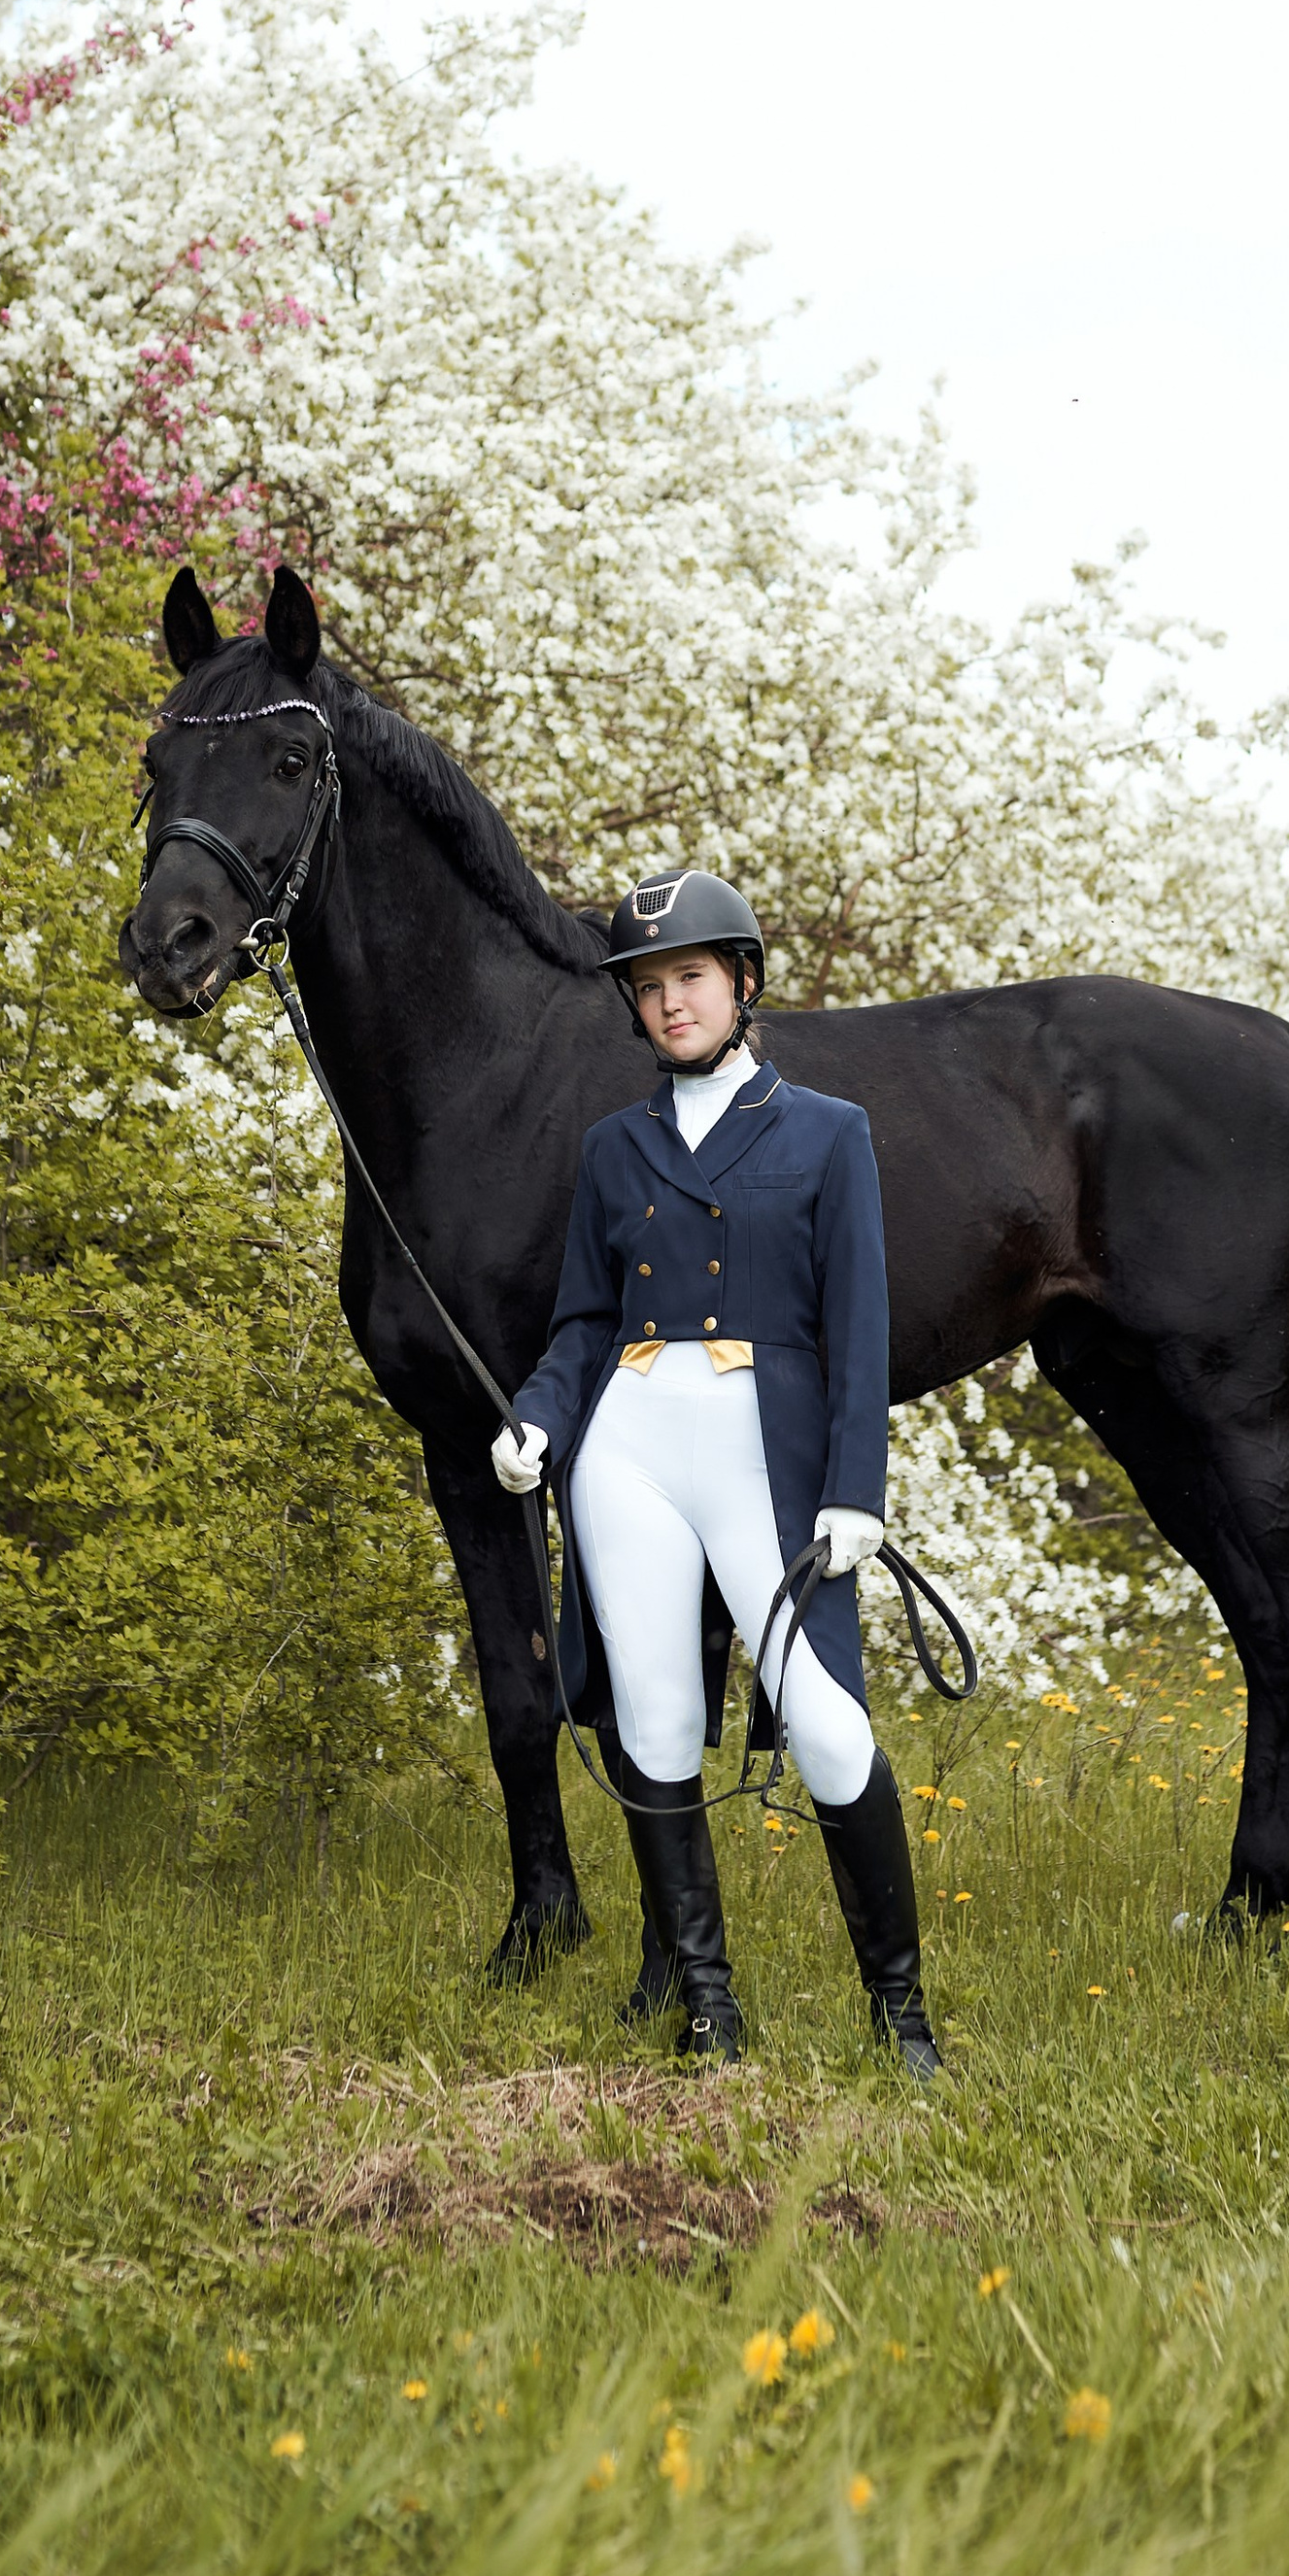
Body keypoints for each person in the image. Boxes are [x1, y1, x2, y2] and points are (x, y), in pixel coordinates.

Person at [492, 870, 939, 2075]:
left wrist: (856, 1487)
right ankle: (708, 2011)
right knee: (658, 1725)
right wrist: (539, 1417)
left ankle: (899, 2019)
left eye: (687, 977)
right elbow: (584, 1322)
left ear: (741, 984)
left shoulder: (827, 1133)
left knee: (831, 1730)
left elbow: (860, 1326)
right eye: (646, 988)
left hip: (763, 1455)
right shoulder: (612, 1149)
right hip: (628, 1450)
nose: (668, 1003)